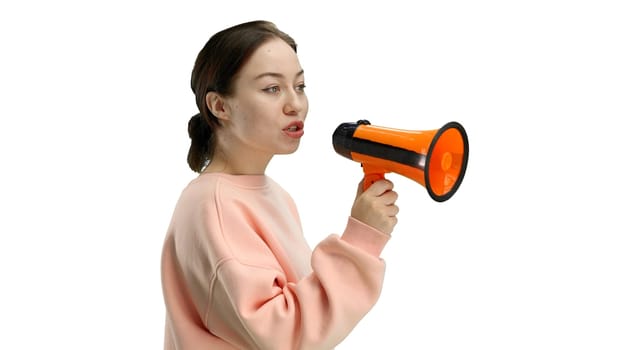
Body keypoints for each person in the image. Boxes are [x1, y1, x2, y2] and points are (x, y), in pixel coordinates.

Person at [160, 20, 399, 350]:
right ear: (219, 106)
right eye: (272, 88)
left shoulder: (274, 196)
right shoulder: (212, 205)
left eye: (299, 86)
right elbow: (283, 335)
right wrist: (359, 243)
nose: (295, 104)